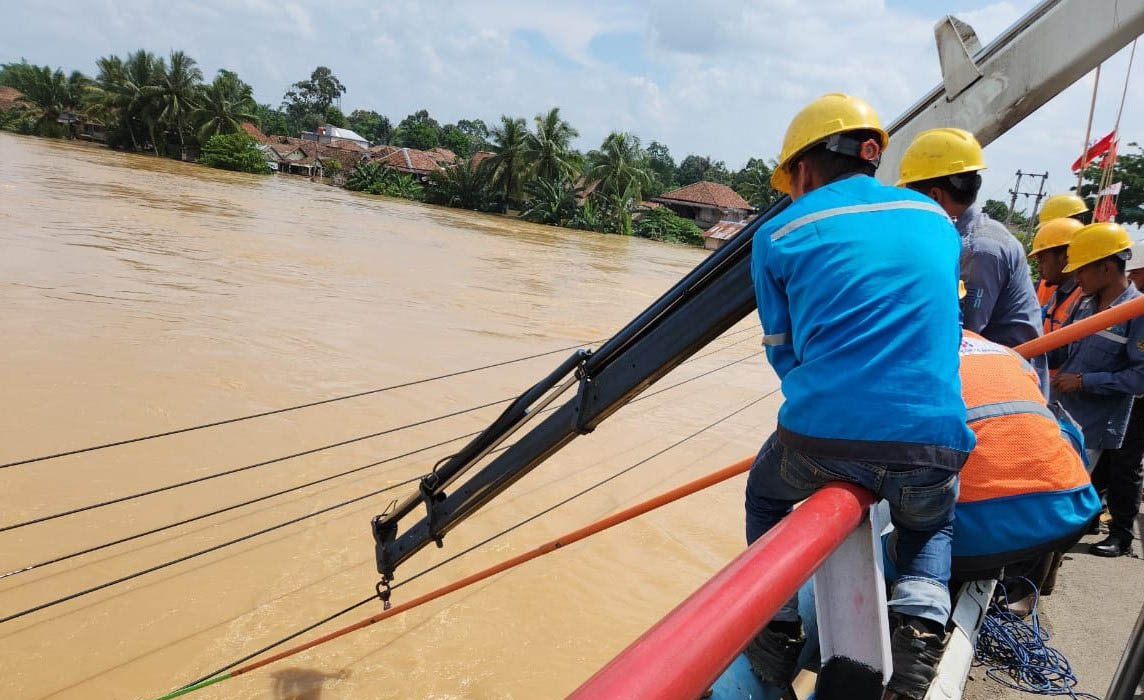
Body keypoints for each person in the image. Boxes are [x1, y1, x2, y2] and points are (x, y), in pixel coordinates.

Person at [746, 93, 974, 700]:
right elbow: (940, 333)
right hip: (936, 440)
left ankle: (775, 625)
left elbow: (782, 350)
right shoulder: (937, 222)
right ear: (871, 157)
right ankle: (921, 629)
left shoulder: (778, 232)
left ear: (802, 170)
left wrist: (831, 404)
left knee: (764, 496)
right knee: (930, 527)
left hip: (822, 438)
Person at [738, 327, 1099, 700]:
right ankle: (925, 628)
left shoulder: (898, 352)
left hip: (975, 534)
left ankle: (777, 627)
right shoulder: (1005, 354)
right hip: (1069, 512)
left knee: (896, 552)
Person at [897, 129, 1047, 388]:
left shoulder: (978, 250)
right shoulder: (965, 238)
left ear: (934, 196)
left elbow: (962, 335)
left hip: (1004, 387)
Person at [1049, 223, 1144, 475]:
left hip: (1090, 430)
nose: (1077, 279)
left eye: (1081, 271)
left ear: (1105, 268)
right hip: (1059, 413)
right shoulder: (1085, 303)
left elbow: (1139, 378)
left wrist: (1084, 381)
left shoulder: (1137, 313)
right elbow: (1059, 346)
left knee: (1064, 498)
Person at [1087, 240, 1144, 557]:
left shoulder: (1137, 307)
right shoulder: (1113, 304)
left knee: (1125, 466)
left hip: (1135, 395)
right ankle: (1092, 517)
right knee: (1106, 463)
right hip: (1114, 394)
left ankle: (1121, 533)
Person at [1029, 217, 1085, 336]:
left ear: (1066, 256)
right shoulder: (1061, 293)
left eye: (1042, 260)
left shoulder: (1083, 299)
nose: (1039, 268)